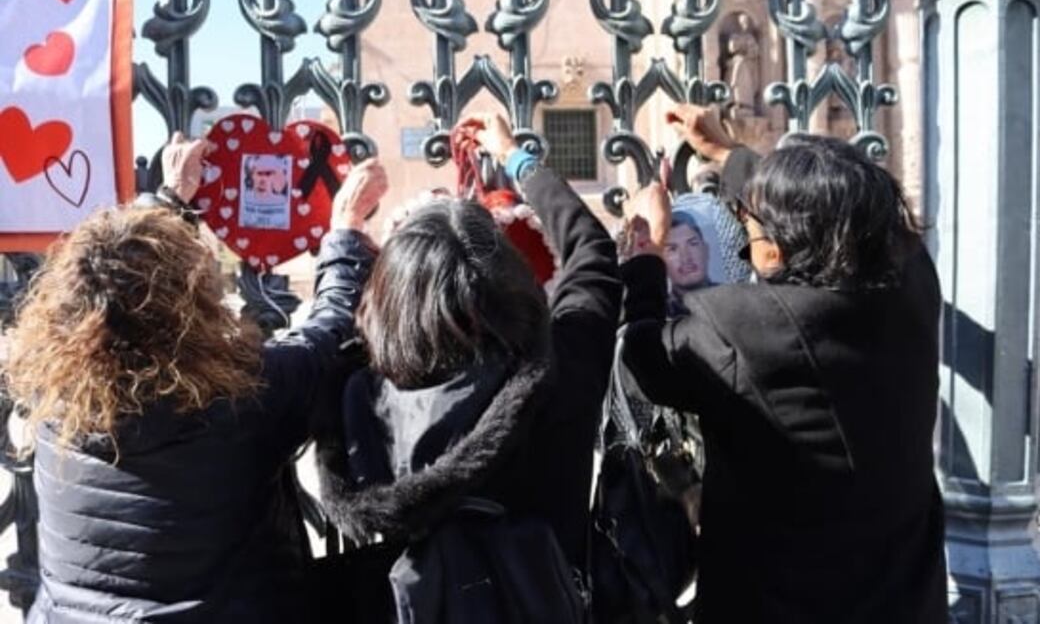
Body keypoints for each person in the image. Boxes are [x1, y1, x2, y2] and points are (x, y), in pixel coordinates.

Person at [5, 131, 388, 623]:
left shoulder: (52, 392)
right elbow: (331, 330)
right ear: (189, 304)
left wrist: (165, 201)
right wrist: (346, 230)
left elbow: (114, 280)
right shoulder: (243, 395)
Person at [620, 131, 947, 623]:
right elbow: (842, 211)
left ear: (778, 245)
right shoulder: (913, 280)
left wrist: (648, 251)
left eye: (750, 230)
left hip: (781, 604)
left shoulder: (747, 328)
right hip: (904, 600)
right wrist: (732, 156)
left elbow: (646, 358)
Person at [315, 112, 621, 614]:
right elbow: (591, 250)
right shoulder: (560, 363)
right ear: (511, 277)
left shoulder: (357, 395)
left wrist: (345, 232)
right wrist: (516, 158)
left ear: (389, 293)